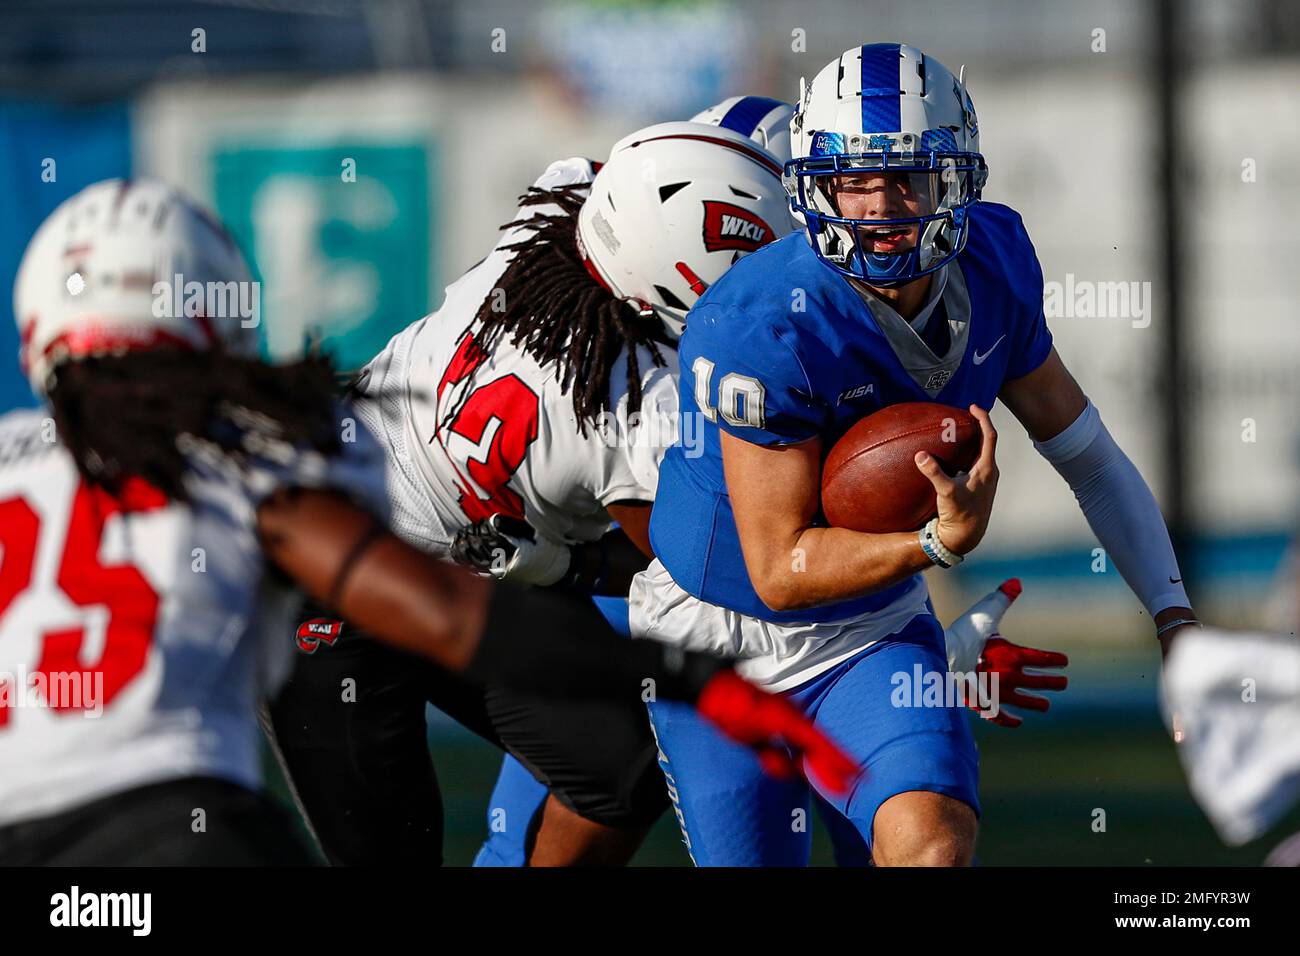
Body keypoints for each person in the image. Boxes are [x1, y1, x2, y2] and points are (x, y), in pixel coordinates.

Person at [0, 178, 854, 865]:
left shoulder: (11, 457)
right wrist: (686, 673)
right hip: (172, 820)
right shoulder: (254, 454)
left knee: (608, 765)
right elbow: (450, 614)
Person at [629, 42, 1193, 866]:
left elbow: (1090, 457)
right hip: (715, 640)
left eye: (909, 178)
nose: (882, 206)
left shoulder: (994, 264)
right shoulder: (761, 322)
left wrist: (1176, 622)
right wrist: (934, 546)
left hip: (868, 630)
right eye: (855, 180)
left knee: (930, 851)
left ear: (956, 180)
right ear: (814, 186)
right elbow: (779, 569)